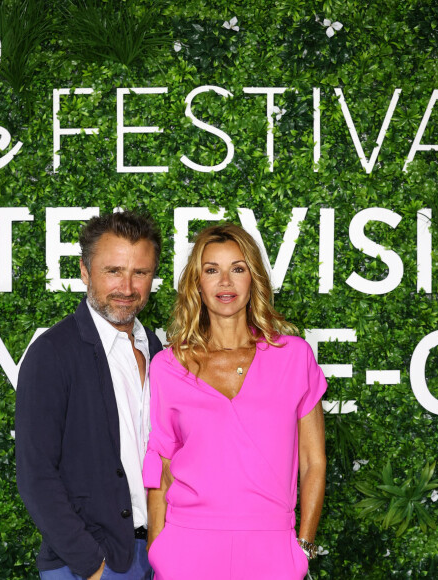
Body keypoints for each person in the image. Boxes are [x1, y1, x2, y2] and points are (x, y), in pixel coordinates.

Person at [143, 223, 326, 580]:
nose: (225, 283)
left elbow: (313, 461)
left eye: (237, 269)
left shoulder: (294, 357)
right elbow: (161, 467)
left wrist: (302, 546)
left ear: (253, 279)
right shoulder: (169, 366)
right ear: (197, 284)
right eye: (212, 270)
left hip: (271, 549)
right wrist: (157, 549)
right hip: (186, 547)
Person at [16, 211, 163, 580]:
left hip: (159, 554)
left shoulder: (158, 349)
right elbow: (36, 474)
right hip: (90, 564)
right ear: (85, 271)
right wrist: (91, 565)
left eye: (140, 272)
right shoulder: (52, 352)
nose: (127, 287)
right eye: (113, 271)